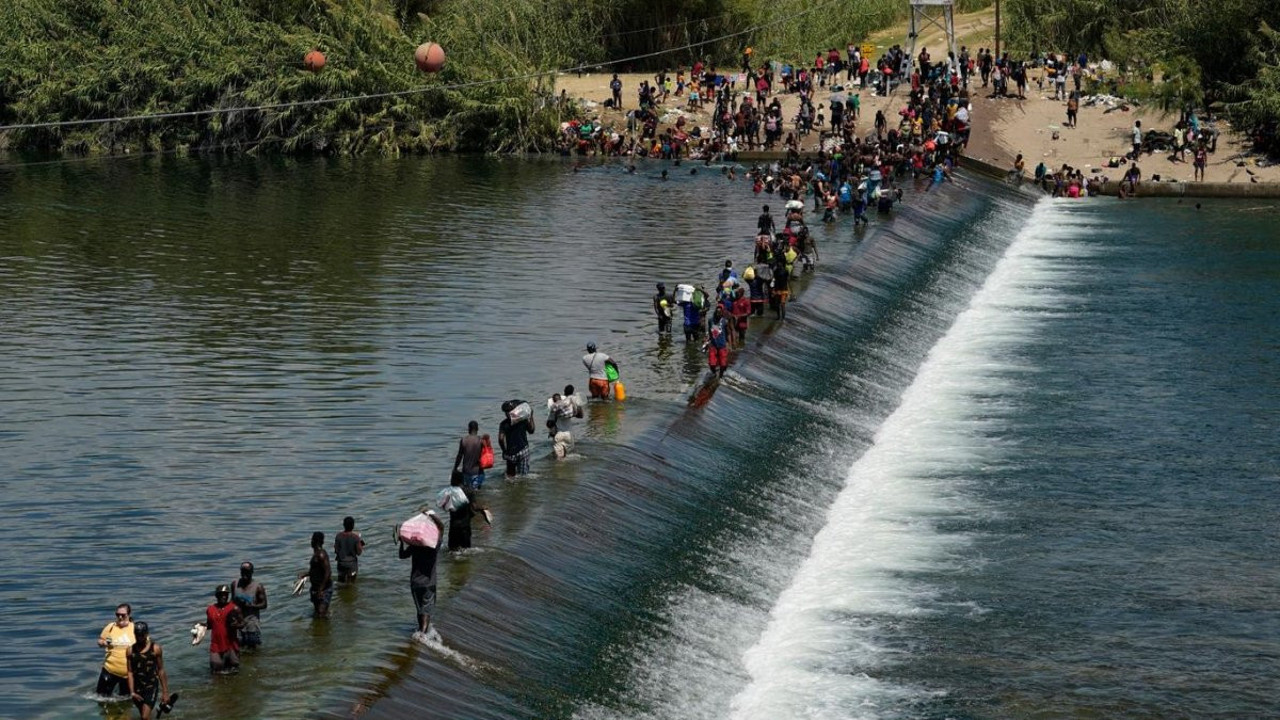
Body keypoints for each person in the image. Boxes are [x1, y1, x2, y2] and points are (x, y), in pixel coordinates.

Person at [397, 512, 445, 634]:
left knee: (420, 610)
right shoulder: (434, 546)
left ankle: (420, 631)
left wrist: (401, 542)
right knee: (426, 611)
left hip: (415, 583)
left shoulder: (414, 547)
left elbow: (402, 556)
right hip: (429, 583)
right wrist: (432, 517)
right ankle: (422, 635)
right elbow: (442, 528)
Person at [126, 621, 172, 719]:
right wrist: (132, 692)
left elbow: (161, 670)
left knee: (145, 717)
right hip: (137, 688)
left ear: (147, 634)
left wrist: (165, 692)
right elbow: (129, 672)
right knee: (143, 715)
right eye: (137, 635)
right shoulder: (130, 651)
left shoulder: (155, 649)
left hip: (151, 687)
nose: (139, 637)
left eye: (142, 635)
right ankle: (158, 710)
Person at [97, 603, 135, 698]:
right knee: (101, 698)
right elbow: (100, 640)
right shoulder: (110, 627)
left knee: (126, 700)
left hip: (128, 674)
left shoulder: (134, 628)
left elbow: (146, 645)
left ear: (129, 615)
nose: (120, 617)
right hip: (109, 670)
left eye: (123, 615)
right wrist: (103, 643)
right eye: (117, 615)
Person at [202, 585, 243, 673]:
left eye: (226, 594)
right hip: (216, 646)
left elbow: (242, 623)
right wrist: (201, 627)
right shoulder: (210, 609)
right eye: (221, 594)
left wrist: (237, 625)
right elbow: (210, 625)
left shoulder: (234, 608)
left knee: (234, 671)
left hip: (231, 645)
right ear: (216, 596)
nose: (224, 596)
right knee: (215, 671)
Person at [230, 561, 267, 649]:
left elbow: (264, 604)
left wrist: (251, 606)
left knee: (253, 648)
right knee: (238, 647)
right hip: (238, 622)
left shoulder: (258, 586)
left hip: (252, 623)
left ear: (252, 572)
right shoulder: (235, 584)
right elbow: (231, 601)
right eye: (243, 571)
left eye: (247, 572)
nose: (244, 574)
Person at [547, 385, 583, 459]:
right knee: (569, 456)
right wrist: (578, 405)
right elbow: (580, 415)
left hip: (558, 435)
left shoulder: (553, 411)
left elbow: (549, 424)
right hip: (569, 435)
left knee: (559, 459)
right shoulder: (568, 410)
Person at [302, 532, 333, 618]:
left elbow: (328, 572)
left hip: (323, 589)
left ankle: (324, 629)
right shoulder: (316, 554)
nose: (311, 542)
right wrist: (306, 574)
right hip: (315, 588)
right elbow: (316, 571)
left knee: (320, 613)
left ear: (314, 541)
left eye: (312, 540)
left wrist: (321, 589)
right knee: (317, 614)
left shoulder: (321, 555)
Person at [453, 420, 486, 490]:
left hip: (466, 472)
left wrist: (455, 468)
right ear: (477, 429)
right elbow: (486, 455)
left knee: (468, 491)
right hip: (478, 472)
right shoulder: (481, 440)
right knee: (477, 492)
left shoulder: (463, 440)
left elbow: (459, 456)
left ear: (468, 429)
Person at [334, 517, 365, 582]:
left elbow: (336, 550)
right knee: (352, 584)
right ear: (353, 526)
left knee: (340, 582)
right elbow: (359, 553)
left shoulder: (338, 536)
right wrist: (361, 544)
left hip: (341, 563)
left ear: (344, 525)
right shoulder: (356, 537)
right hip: (352, 564)